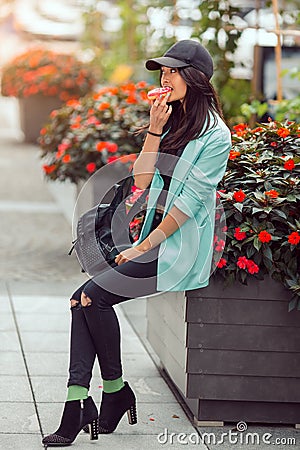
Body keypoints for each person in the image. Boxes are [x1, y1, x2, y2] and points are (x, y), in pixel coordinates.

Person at [42, 39, 231, 447]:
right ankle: (96, 396)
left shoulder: (216, 137)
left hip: (179, 247)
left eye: (174, 71)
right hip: (152, 236)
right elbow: (143, 181)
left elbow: (188, 204)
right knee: (83, 300)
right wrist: (155, 129)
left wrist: (143, 247)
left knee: (91, 297)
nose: (165, 77)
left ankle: (97, 400)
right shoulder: (176, 120)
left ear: (195, 78)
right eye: (163, 71)